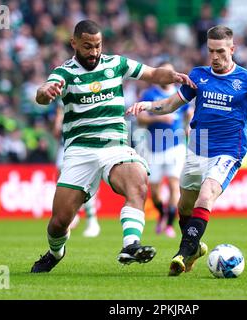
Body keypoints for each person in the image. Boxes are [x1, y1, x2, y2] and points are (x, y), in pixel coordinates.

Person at [31, 19, 196, 273]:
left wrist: (172, 76)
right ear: (73, 43)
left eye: (97, 46)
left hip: (114, 145)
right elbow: (42, 95)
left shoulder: (116, 64)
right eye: (87, 46)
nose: (94, 52)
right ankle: (55, 252)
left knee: (138, 181)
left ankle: (131, 245)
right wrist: (46, 90)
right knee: (59, 222)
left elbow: (151, 73)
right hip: (79, 151)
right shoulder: (64, 73)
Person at [126, 25, 247, 276]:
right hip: (197, 149)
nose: (215, 57)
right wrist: (147, 105)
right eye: (211, 51)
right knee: (184, 206)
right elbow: (170, 105)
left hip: (229, 151)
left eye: (221, 51)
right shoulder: (198, 76)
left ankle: (183, 253)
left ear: (233, 49)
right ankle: (196, 248)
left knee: (206, 194)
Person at [136, 62, 193, 238]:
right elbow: (140, 120)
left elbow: (189, 114)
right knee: (154, 192)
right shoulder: (149, 94)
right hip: (154, 147)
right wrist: (157, 118)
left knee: (175, 184)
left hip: (176, 145)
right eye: (165, 72)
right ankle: (162, 214)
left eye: (171, 71)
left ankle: (169, 223)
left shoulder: (180, 93)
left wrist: (189, 125)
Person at [53, 106, 101, 238]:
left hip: (83, 145)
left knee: (86, 184)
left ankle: (92, 220)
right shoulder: (64, 95)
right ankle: (72, 216)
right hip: (66, 146)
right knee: (61, 180)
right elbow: (57, 131)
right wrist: (59, 121)